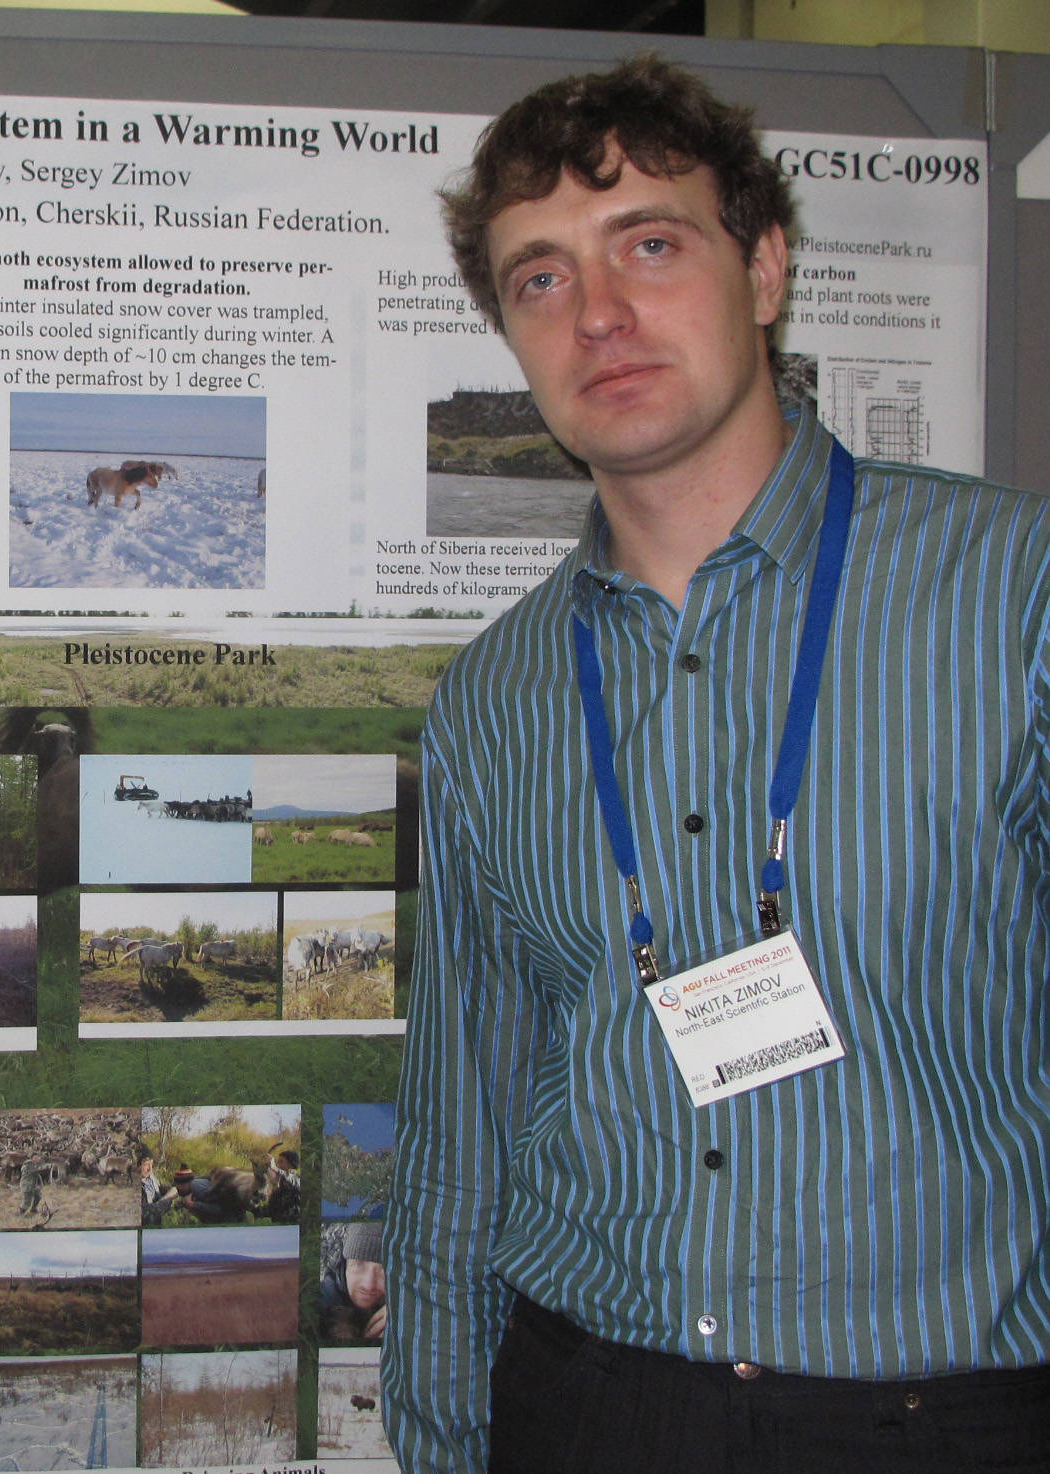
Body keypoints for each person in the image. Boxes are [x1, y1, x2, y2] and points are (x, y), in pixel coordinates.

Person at [384, 54, 1050, 1474]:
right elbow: (463, 1126)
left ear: (764, 269)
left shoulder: (1015, 595)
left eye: (648, 244)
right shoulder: (495, 697)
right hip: (588, 1402)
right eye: (540, 278)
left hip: (942, 1415)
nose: (597, 312)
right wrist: (442, 1435)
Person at [319, 1219, 387, 1345]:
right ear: (344, 1265)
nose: (368, 1285)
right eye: (358, 1265)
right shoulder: (321, 1298)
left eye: (384, 1270)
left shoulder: (405, 1298)